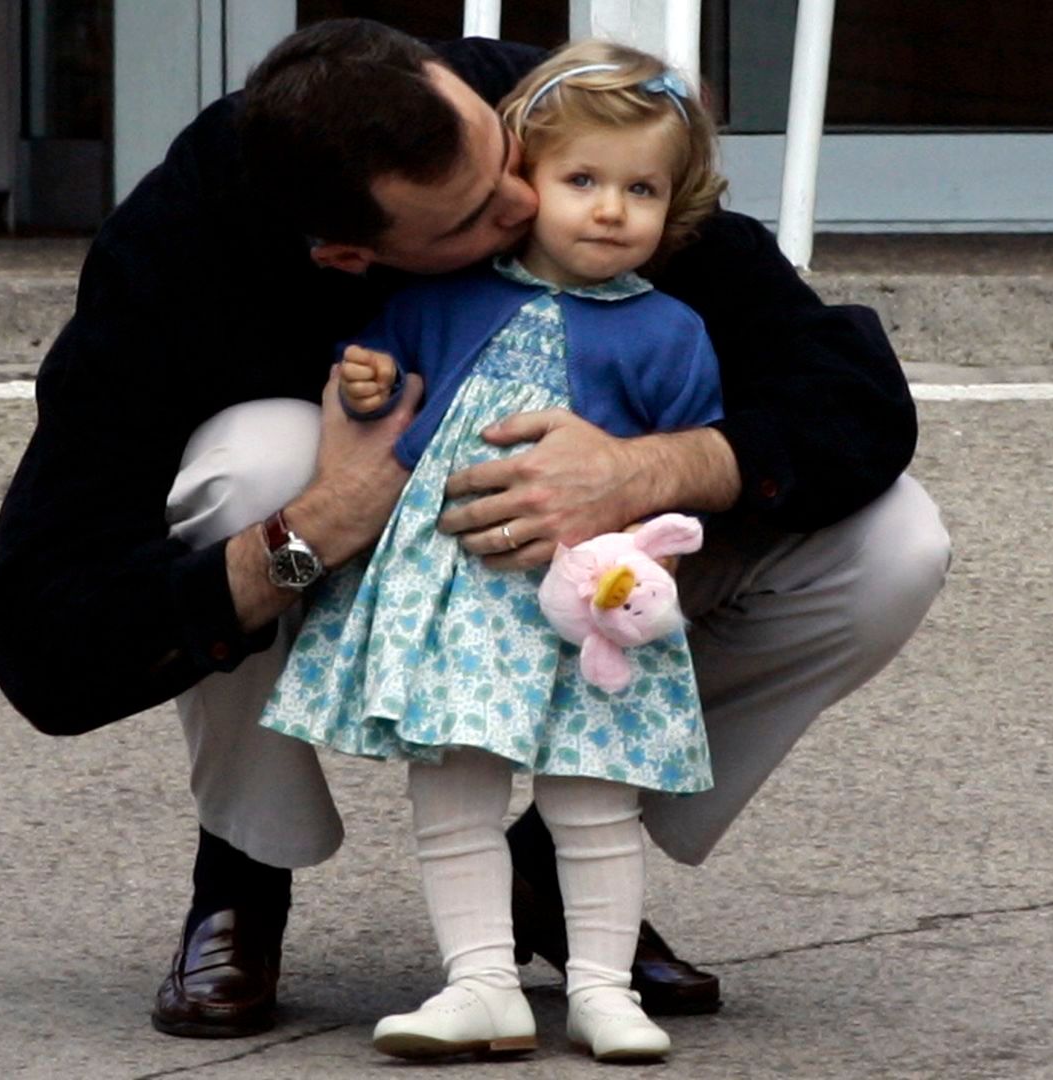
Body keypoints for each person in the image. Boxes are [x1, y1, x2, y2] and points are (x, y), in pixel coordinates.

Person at [0, 17, 950, 1042]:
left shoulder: (540, 118)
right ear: (352, 255)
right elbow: (44, 642)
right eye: (475, 217)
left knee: (895, 546)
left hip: (585, 562)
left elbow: (850, 391)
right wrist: (317, 524)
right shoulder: (181, 248)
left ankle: (561, 862)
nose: (529, 200)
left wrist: (642, 469)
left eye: (507, 162)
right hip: (357, 550)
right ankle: (244, 866)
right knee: (254, 460)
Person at [257, 41, 725, 1063]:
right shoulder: (444, 296)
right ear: (531, 176)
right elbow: (375, 373)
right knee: (456, 790)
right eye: (582, 181)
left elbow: (683, 467)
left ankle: (603, 989)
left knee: (597, 798)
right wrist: (370, 377)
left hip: (586, 604)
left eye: (641, 188)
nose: (610, 209)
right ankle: (480, 984)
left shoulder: (673, 333)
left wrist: (650, 582)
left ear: (675, 202)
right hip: (459, 598)